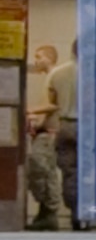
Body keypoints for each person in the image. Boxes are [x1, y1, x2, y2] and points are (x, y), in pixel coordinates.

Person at [24, 45, 61, 230]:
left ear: (49, 57)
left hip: (50, 132)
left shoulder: (54, 76)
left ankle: (49, 211)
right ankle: (46, 212)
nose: (37, 61)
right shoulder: (49, 78)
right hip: (45, 129)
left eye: (39, 57)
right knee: (44, 171)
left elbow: (54, 104)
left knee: (42, 169)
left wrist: (31, 111)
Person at [46, 42, 80, 228]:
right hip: (89, 127)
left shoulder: (57, 73)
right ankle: (88, 211)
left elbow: (52, 104)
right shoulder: (95, 71)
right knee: (90, 171)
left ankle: (74, 211)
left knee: (69, 172)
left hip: (66, 125)